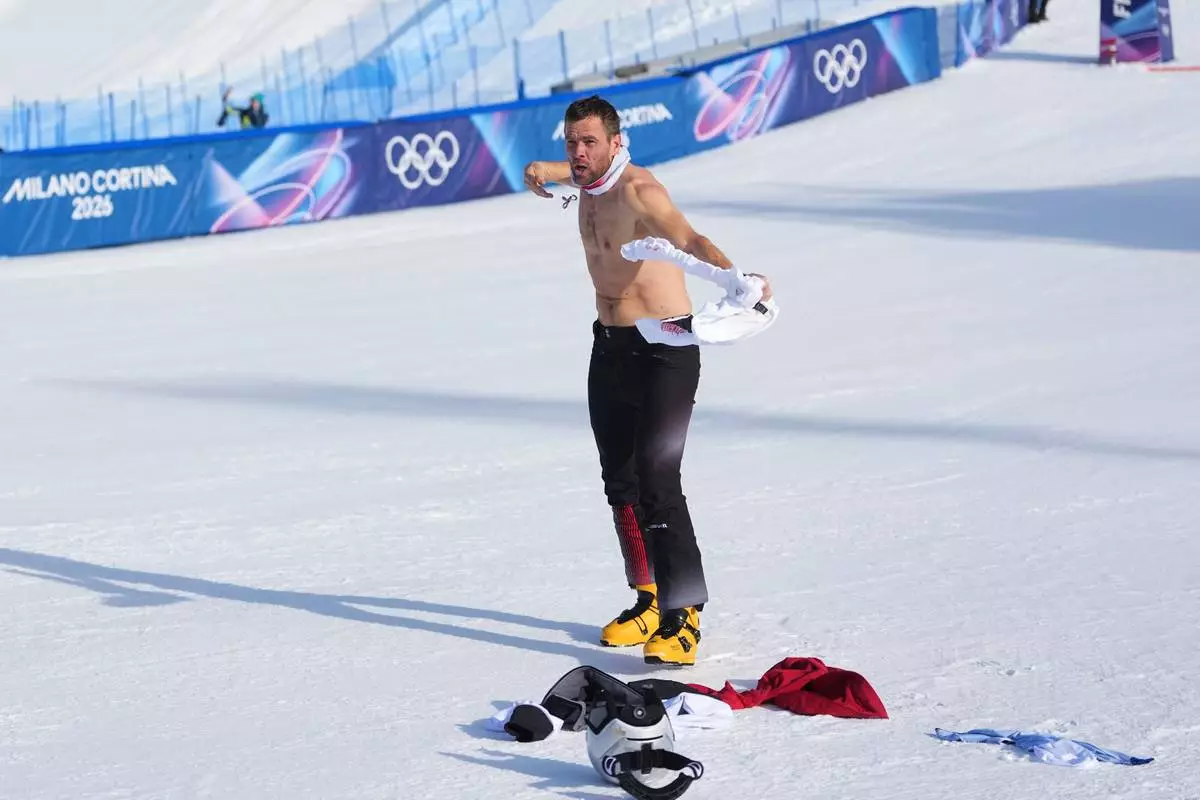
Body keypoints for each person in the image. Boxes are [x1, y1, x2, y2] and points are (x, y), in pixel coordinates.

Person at [522, 95, 771, 666]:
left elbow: (689, 239)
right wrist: (548, 169)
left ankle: (685, 616)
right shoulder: (583, 178)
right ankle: (649, 597)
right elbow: (563, 169)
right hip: (609, 345)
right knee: (620, 479)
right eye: (570, 143)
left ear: (617, 142)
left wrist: (740, 280)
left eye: (589, 143)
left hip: (665, 350)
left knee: (659, 476)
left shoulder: (639, 191)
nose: (577, 153)